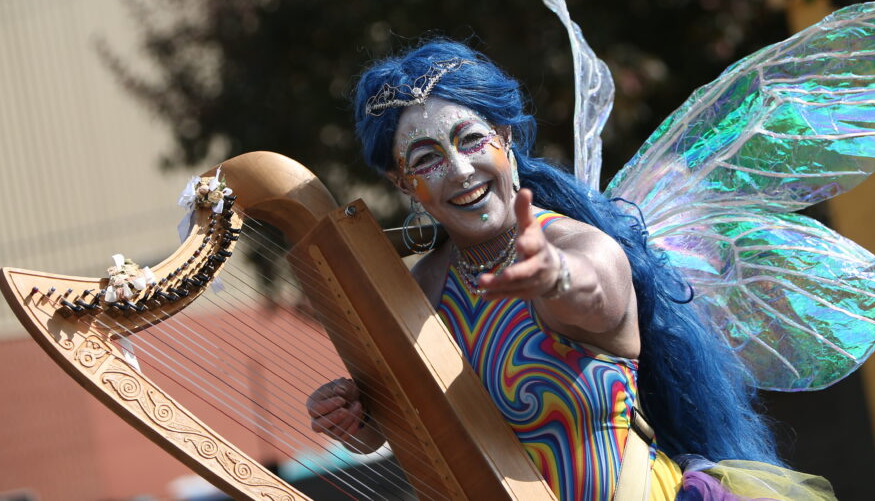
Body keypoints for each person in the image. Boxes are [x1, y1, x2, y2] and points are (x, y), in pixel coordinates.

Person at [307, 40, 837, 500]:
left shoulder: (579, 243)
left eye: (471, 139)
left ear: (506, 138)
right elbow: (401, 421)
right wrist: (356, 418)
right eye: (426, 158)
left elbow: (594, 293)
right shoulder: (420, 290)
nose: (461, 169)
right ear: (404, 185)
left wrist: (553, 276)